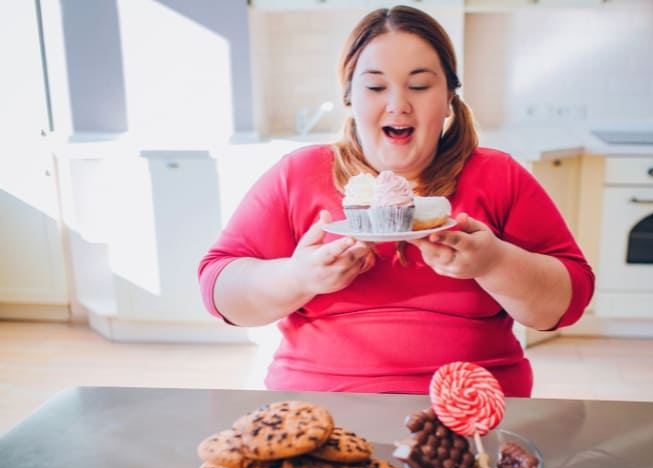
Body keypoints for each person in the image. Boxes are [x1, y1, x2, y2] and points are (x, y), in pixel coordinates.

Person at [198, 5, 594, 397]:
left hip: (468, 418)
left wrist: (494, 263)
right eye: (375, 87)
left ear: (449, 98)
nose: (398, 104)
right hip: (321, 410)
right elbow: (219, 293)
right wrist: (297, 278)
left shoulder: (499, 176)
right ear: (349, 97)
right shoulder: (298, 174)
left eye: (419, 86)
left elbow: (567, 304)